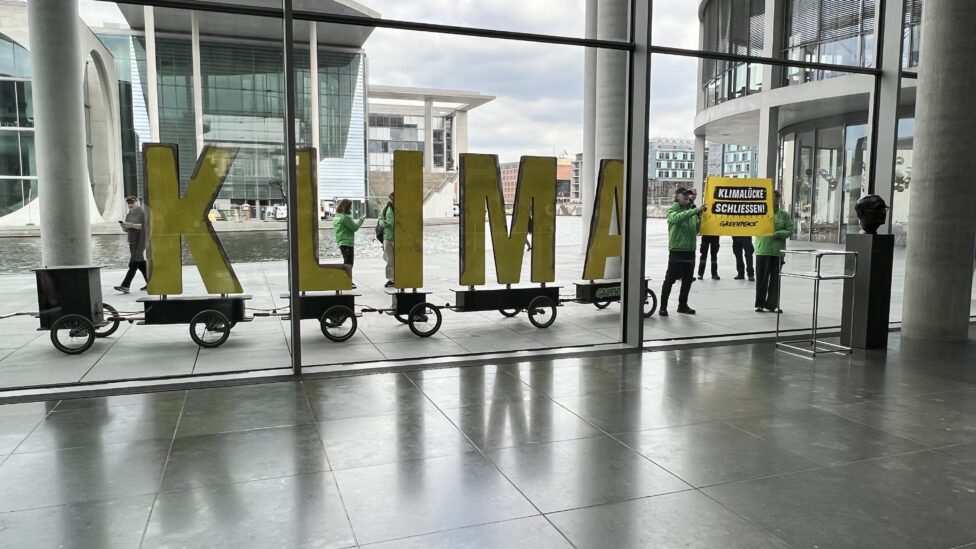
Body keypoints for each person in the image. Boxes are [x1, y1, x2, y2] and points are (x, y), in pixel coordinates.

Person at [660, 187, 706, 317]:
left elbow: (697, 230)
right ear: (677, 196)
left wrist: (701, 217)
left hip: (690, 251)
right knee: (670, 279)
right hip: (677, 251)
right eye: (684, 194)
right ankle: (663, 307)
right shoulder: (671, 210)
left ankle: (682, 305)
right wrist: (695, 211)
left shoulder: (691, 212)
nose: (687, 196)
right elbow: (677, 219)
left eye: (688, 195)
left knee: (687, 280)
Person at [754, 190, 793, 313]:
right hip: (763, 250)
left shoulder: (784, 215)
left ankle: (772, 305)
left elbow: (790, 230)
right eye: (771, 198)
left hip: (777, 252)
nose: (774, 201)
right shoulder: (760, 214)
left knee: (775, 280)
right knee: (761, 279)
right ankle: (759, 304)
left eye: (776, 199)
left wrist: (778, 234)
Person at [114, 196, 147, 293]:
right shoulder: (129, 214)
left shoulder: (143, 213)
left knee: (133, 263)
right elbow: (127, 230)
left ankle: (125, 286)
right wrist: (123, 226)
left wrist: (132, 225)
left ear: (137, 202)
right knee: (140, 263)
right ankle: (151, 283)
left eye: (132, 202)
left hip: (141, 241)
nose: (130, 204)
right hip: (132, 241)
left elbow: (147, 226)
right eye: (128, 203)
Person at [690, 188, 720, 281]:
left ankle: (714, 274)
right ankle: (701, 273)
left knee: (713, 255)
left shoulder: (718, 207)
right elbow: (697, 218)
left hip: (715, 234)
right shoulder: (702, 207)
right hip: (706, 234)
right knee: (704, 255)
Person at [332, 199, 365, 285]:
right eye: (350, 207)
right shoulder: (345, 217)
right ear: (346, 207)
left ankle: (346, 280)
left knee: (347, 262)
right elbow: (354, 227)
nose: (350, 209)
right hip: (347, 243)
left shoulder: (337, 216)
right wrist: (361, 220)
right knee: (349, 263)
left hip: (341, 242)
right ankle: (346, 281)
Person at [380, 192, 395, 287]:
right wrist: (383, 223)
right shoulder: (387, 208)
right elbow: (380, 218)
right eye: (391, 199)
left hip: (400, 237)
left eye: (394, 199)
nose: (392, 201)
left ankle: (399, 277)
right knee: (389, 259)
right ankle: (391, 279)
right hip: (388, 236)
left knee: (398, 259)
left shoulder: (404, 207)